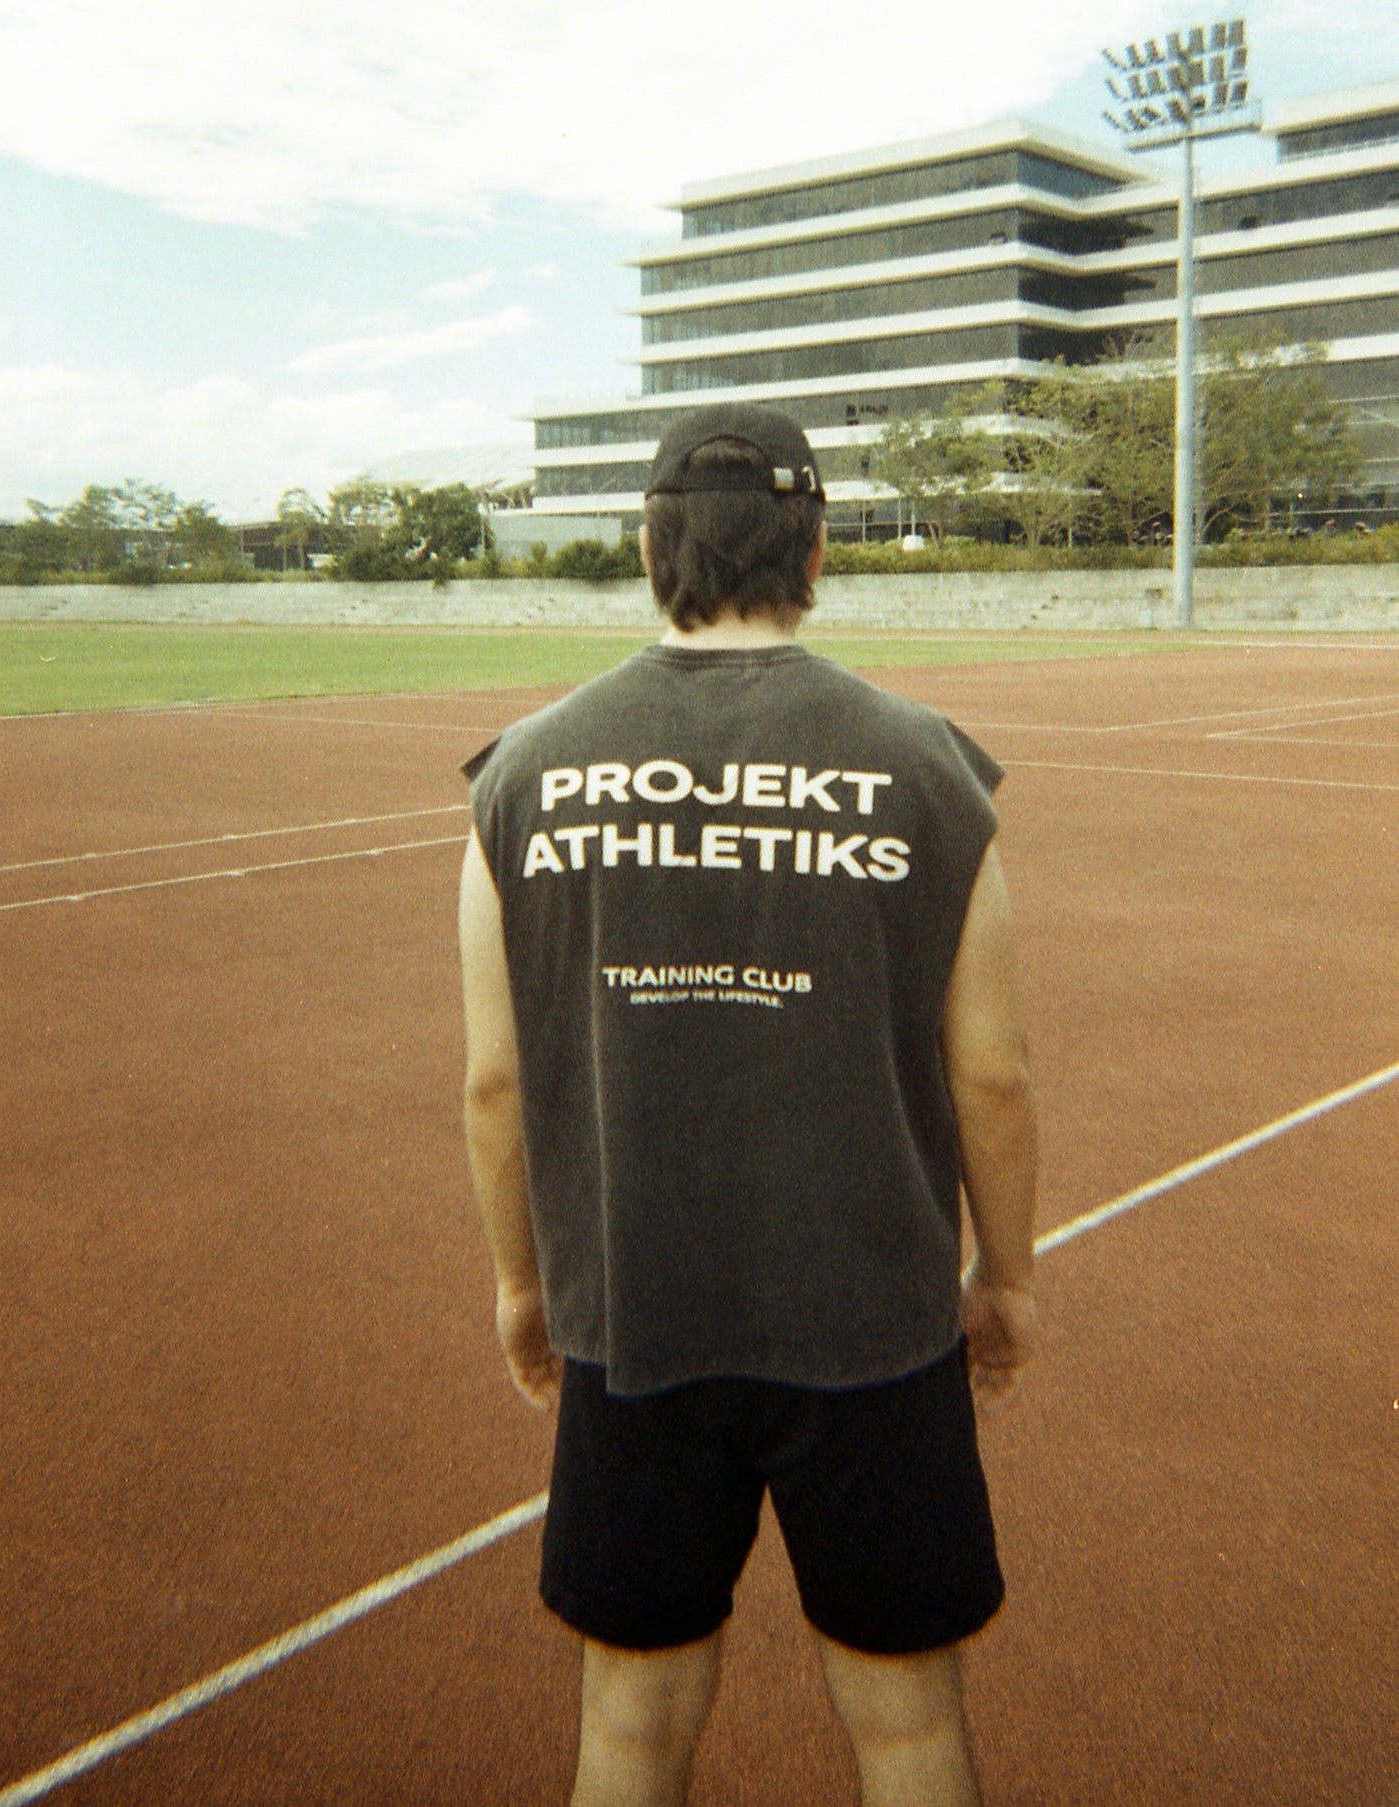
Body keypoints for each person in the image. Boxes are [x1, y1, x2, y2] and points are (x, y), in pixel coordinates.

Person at [458, 401, 1038, 1807]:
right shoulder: (923, 764)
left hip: (634, 1314)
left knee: (631, 1718)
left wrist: (520, 1288)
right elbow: (993, 1072)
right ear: (818, 545)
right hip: (873, 1319)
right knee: (905, 1723)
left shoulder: (524, 772)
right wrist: (1006, 1278)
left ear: (652, 546)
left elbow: (493, 1078)